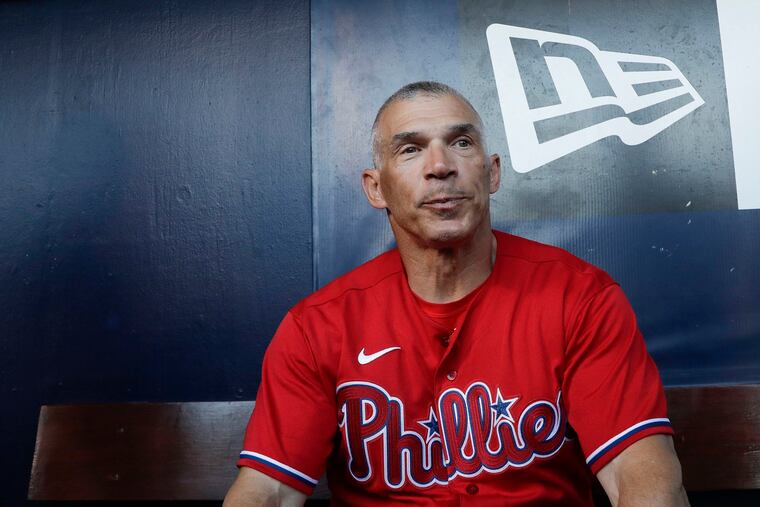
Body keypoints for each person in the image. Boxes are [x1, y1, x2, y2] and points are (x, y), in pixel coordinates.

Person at [224, 81, 689, 506]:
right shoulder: (318, 326)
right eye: (410, 150)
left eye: (461, 143)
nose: (440, 166)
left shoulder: (580, 297)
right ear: (376, 188)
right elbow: (269, 490)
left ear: (492, 173)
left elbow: (638, 471)